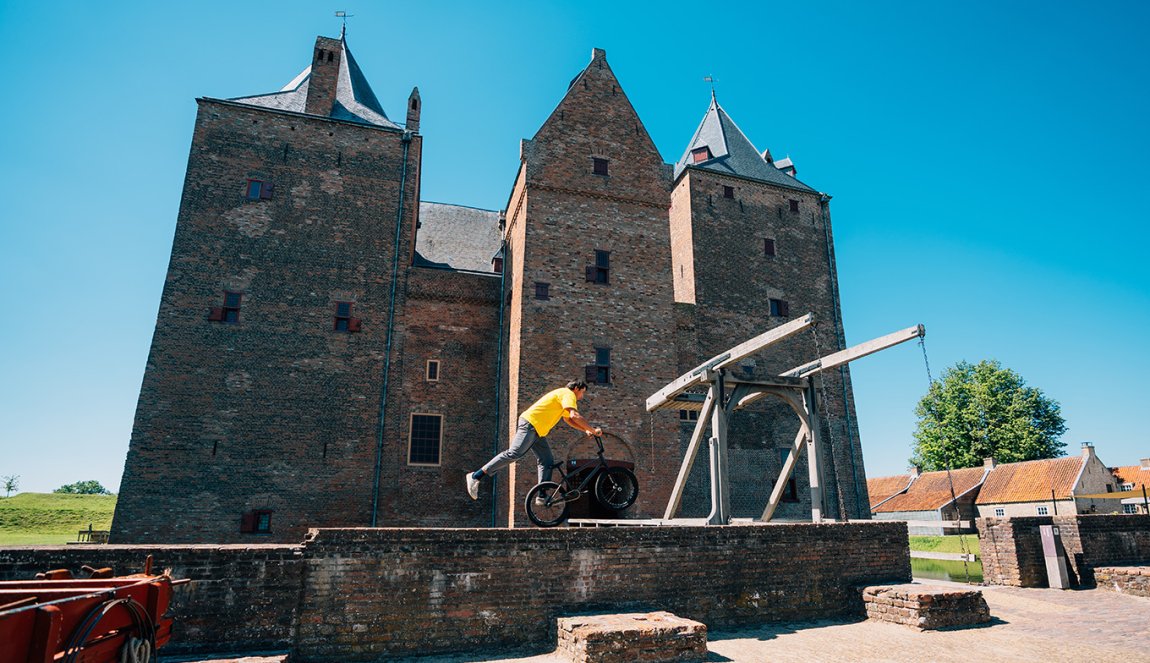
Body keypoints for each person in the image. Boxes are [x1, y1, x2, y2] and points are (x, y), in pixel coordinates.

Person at [466, 380, 602, 500]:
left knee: (547, 461)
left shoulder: (563, 396)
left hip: (538, 431)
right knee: (514, 453)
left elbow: (569, 419)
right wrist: (592, 429)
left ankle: (542, 495)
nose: (581, 397)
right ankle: (476, 476)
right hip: (531, 424)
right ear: (576, 389)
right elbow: (575, 415)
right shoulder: (568, 394)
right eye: (582, 393)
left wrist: (585, 430)